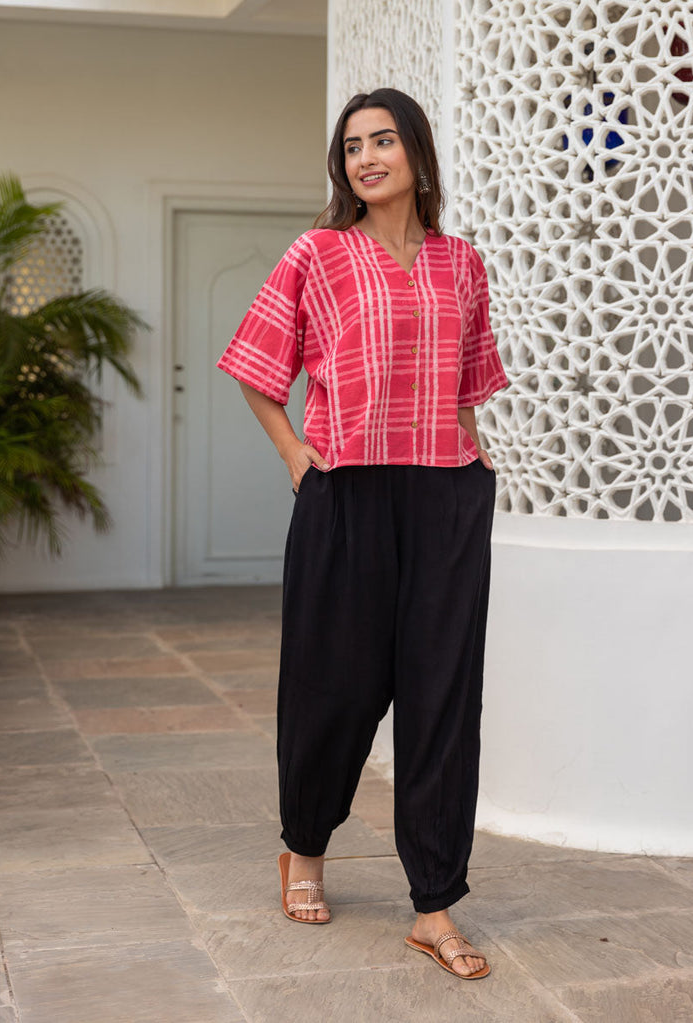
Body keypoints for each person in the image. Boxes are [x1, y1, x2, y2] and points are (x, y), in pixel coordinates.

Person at [217, 87, 508, 980]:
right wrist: (294, 455)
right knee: (333, 687)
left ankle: (435, 904)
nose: (367, 158)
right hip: (345, 492)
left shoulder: (461, 262)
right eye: (352, 147)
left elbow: (468, 382)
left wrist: (472, 457)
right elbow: (256, 366)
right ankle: (304, 848)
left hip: (443, 495)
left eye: (383, 141)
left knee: (441, 700)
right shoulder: (317, 253)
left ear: (417, 153)